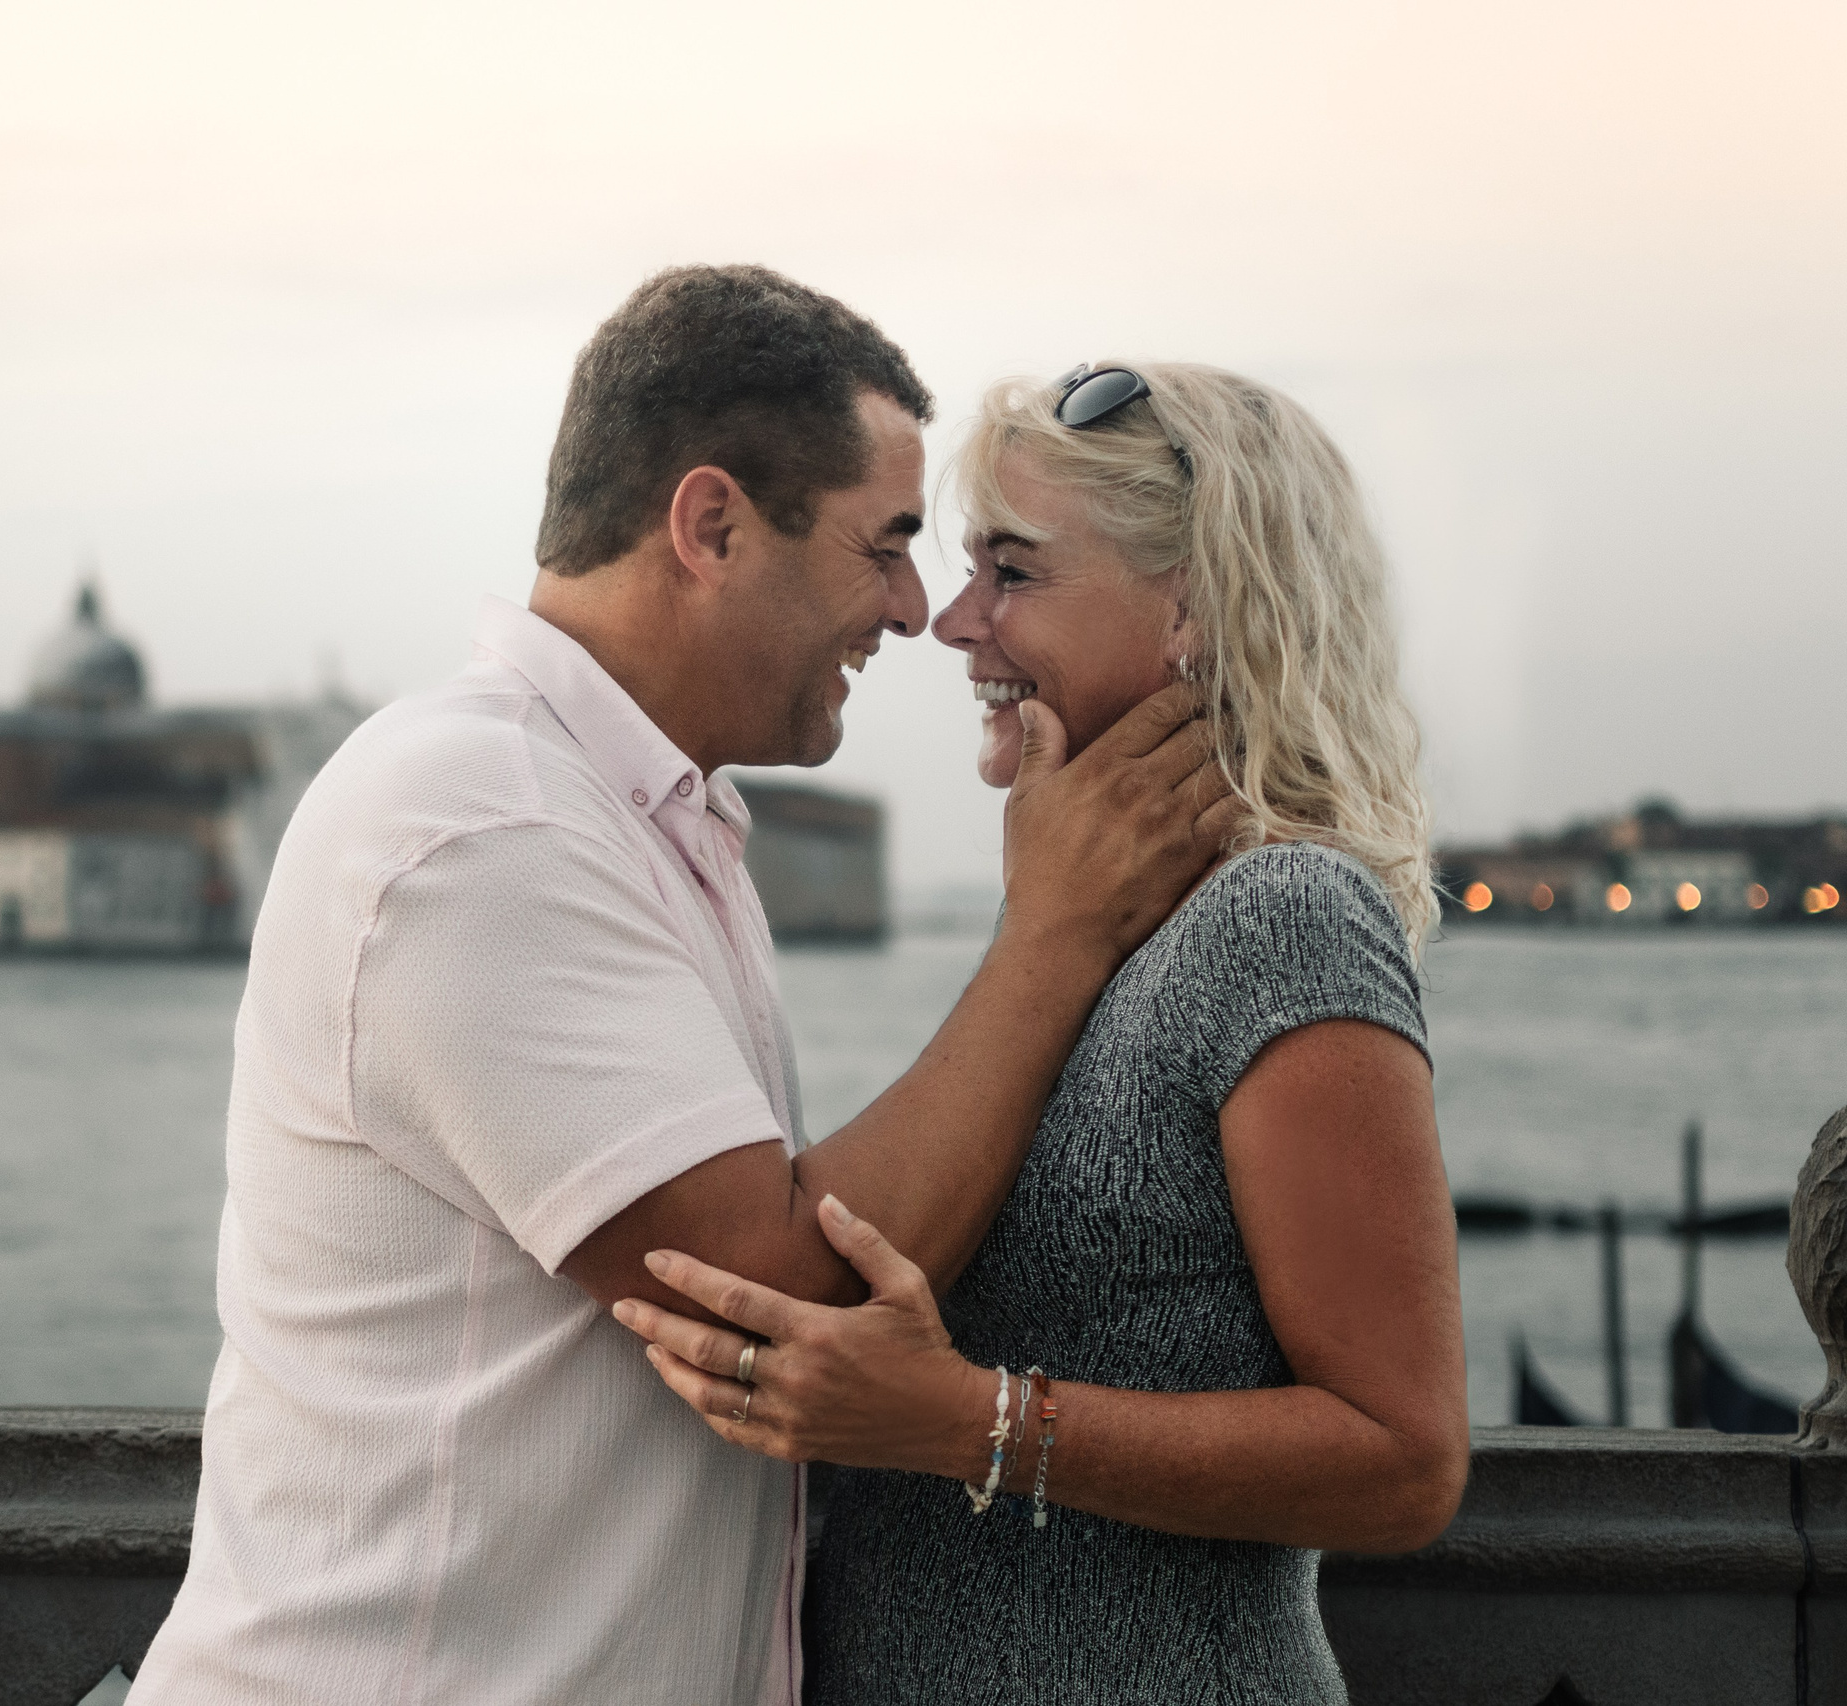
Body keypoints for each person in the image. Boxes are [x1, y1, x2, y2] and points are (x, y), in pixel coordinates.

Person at [127, 273, 1243, 1706]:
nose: (915, 610)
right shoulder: (485, 827)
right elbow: (770, 1298)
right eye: (886, 546)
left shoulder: (634, 817)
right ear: (711, 526)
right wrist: (1057, 929)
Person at [616, 361, 1469, 1704]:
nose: (953, 622)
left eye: (1012, 573)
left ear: (1191, 608)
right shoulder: (1093, 925)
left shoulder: (1284, 916)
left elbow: (1404, 1456)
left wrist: (973, 1423)